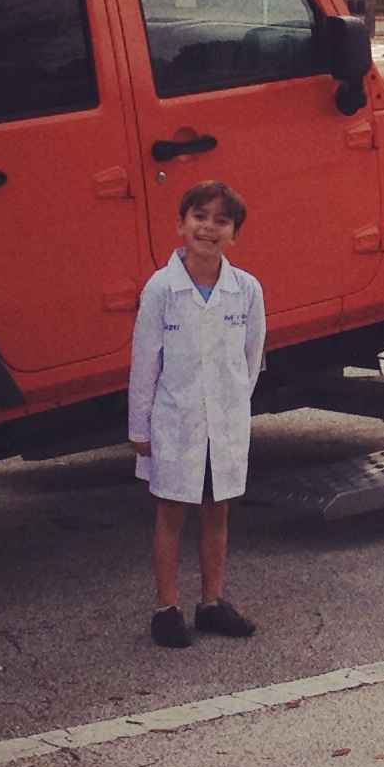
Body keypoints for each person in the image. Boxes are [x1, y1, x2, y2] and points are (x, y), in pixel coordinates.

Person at [127, 179, 266, 647]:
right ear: (181, 224)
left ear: (234, 234)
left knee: (216, 511)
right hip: (175, 421)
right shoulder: (162, 289)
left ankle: (211, 602)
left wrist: (232, 407)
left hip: (222, 424)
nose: (208, 228)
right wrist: (140, 427)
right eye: (199, 217)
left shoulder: (246, 290)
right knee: (171, 512)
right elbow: (145, 363)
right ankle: (167, 608)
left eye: (221, 221)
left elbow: (250, 359)